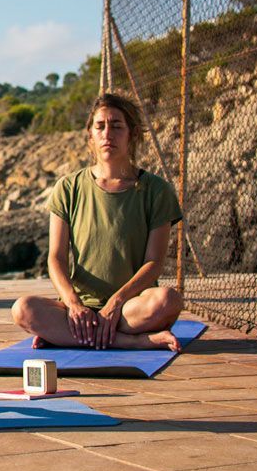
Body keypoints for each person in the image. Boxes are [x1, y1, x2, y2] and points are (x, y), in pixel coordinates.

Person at [11, 92, 184, 352]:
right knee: (23, 309)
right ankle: (133, 341)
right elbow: (56, 258)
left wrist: (116, 302)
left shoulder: (157, 190)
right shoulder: (68, 187)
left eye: (117, 126)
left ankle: (70, 336)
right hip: (80, 308)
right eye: (100, 126)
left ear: (132, 134)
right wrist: (73, 304)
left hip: (130, 307)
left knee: (168, 300)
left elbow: (154, 263)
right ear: (90, 135)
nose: (107, 134)